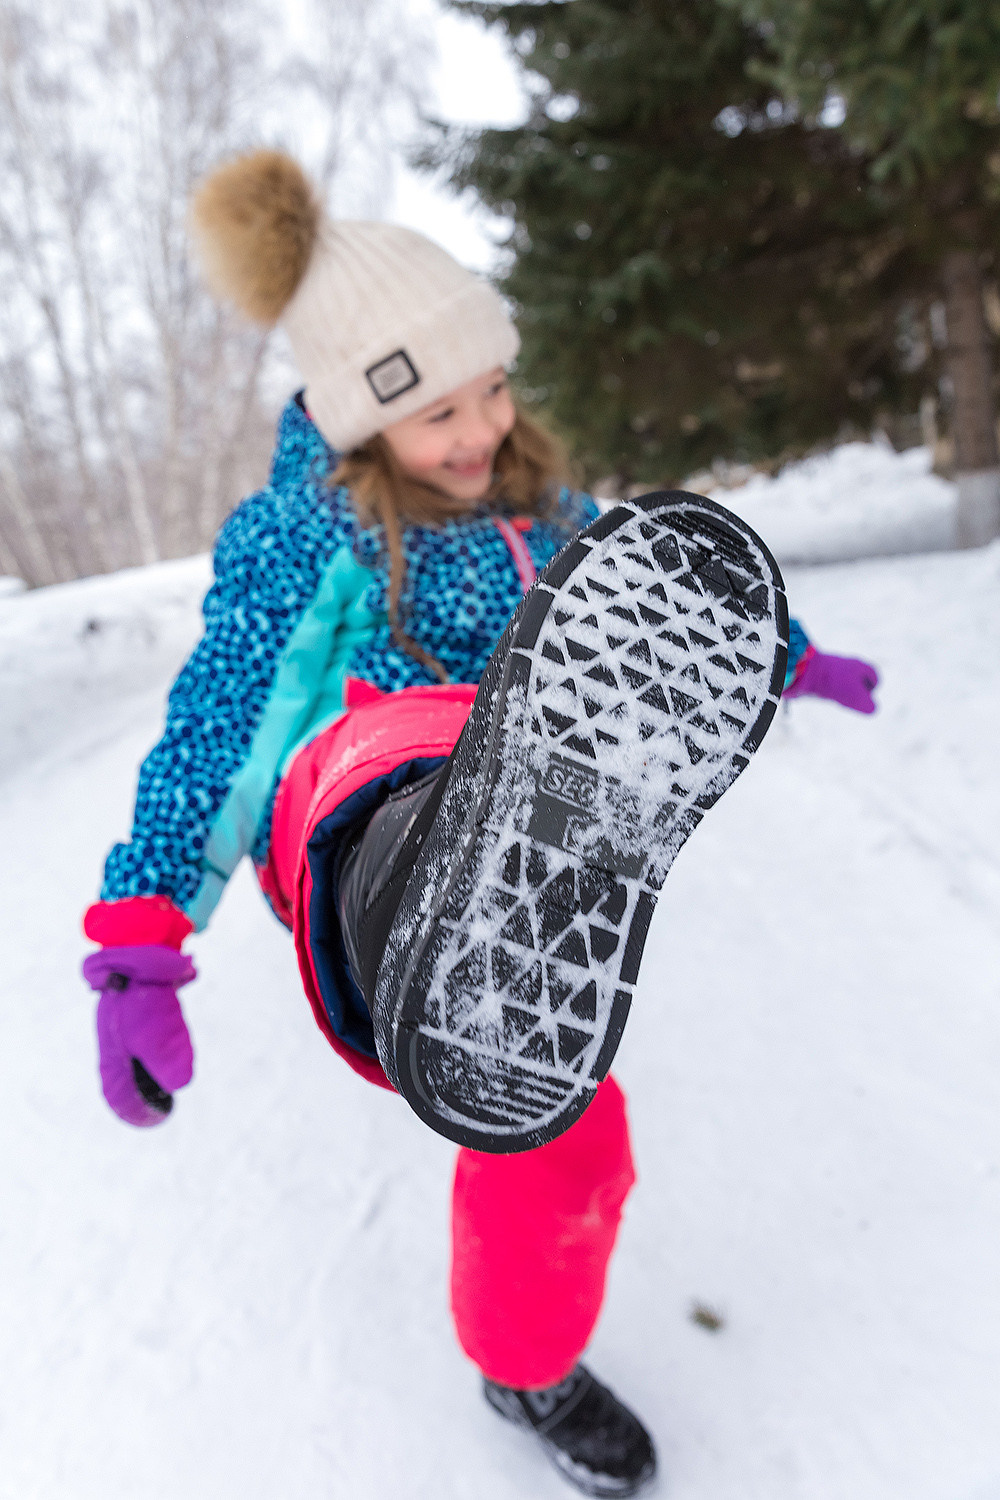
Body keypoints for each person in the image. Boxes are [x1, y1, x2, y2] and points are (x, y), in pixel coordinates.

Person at [81, 151, 869, 1498]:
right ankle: (457, 865)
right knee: (412, 742)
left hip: (524, 847)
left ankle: (524, 1355)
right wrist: (144, 938)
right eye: (437, 407)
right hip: (352, 808)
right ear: (353, 416)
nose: (480, 426)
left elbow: (652, 606)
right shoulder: (303, 538)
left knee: (564, 1127)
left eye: (492, 386)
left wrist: (779, 654)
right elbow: (216, 724)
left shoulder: (541, 510)